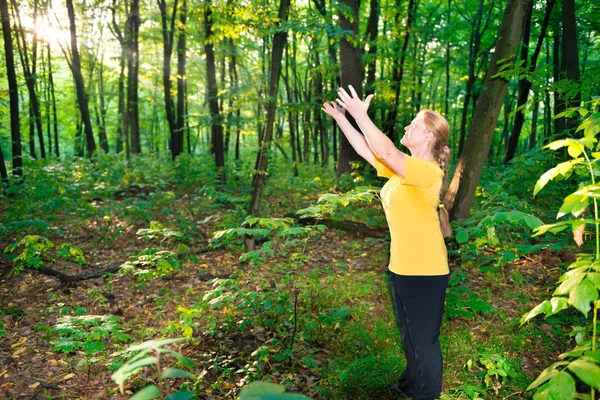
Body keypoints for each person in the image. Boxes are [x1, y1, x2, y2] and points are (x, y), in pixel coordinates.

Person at [322, 85, 452, 400]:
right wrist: (343, 120)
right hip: (401, 267)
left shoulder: (426, 172)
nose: (408, 126)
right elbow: (372, 152)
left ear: (428, 137)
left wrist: (362, 115)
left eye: (414, 125)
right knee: (410, 336)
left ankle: (427, 395)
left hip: (425, 271)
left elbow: (388, 150)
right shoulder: (402, 171)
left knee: (424, 341)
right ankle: (411, 383)